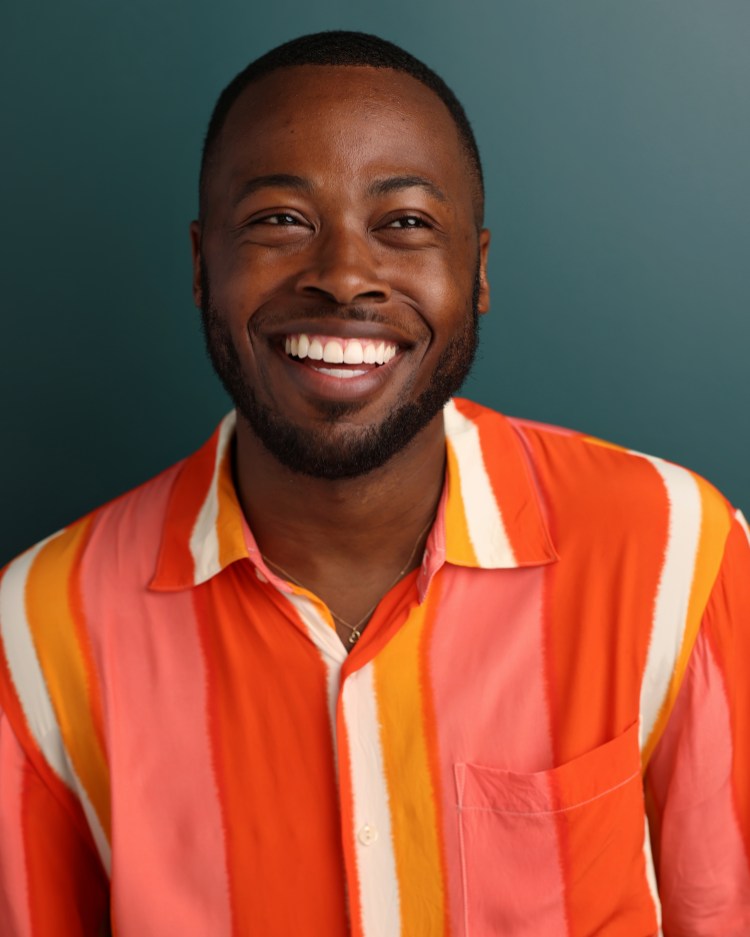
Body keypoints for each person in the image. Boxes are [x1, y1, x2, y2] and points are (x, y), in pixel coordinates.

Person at [0, 29, 748, 937]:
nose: (344, 276)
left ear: (478, 271)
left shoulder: (675, 550)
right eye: (280, 219)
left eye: (404, 224)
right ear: (202, 265)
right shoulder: (37, 625)